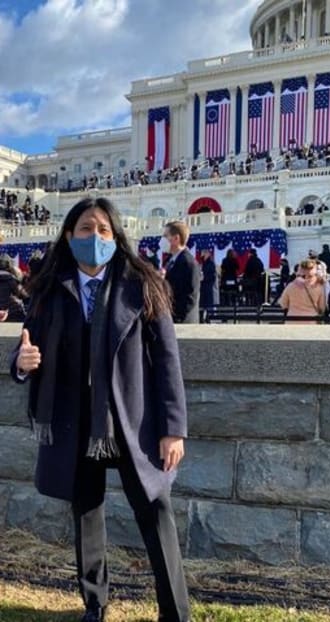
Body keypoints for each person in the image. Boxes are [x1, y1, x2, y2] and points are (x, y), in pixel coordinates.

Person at [10, 197, 190, 621]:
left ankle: (175, 611)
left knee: (155, 509)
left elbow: (167, 361)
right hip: (75, 420)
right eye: (86, 229)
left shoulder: (144, 283)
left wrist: (173, 428)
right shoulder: (49, 289)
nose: (95, 237)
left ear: (116, 236)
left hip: (133, 420)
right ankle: (95, 602)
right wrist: (20, 364)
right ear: (69, 236)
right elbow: (25, 346)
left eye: (103, 230)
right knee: (86, 511)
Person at [162, 221, 200, 323]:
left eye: (165, 236)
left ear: (176, 238)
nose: (162, 239)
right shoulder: (169, 260)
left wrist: (175, 318)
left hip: (182, 322)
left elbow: (190, 298)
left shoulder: (189, 263)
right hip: (168, 319)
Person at [277, 259, 327, 323]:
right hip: (311, 321)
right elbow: (322, 308)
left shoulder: (291, 286)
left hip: (292, 320)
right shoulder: (319, 287)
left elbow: (283, 304)